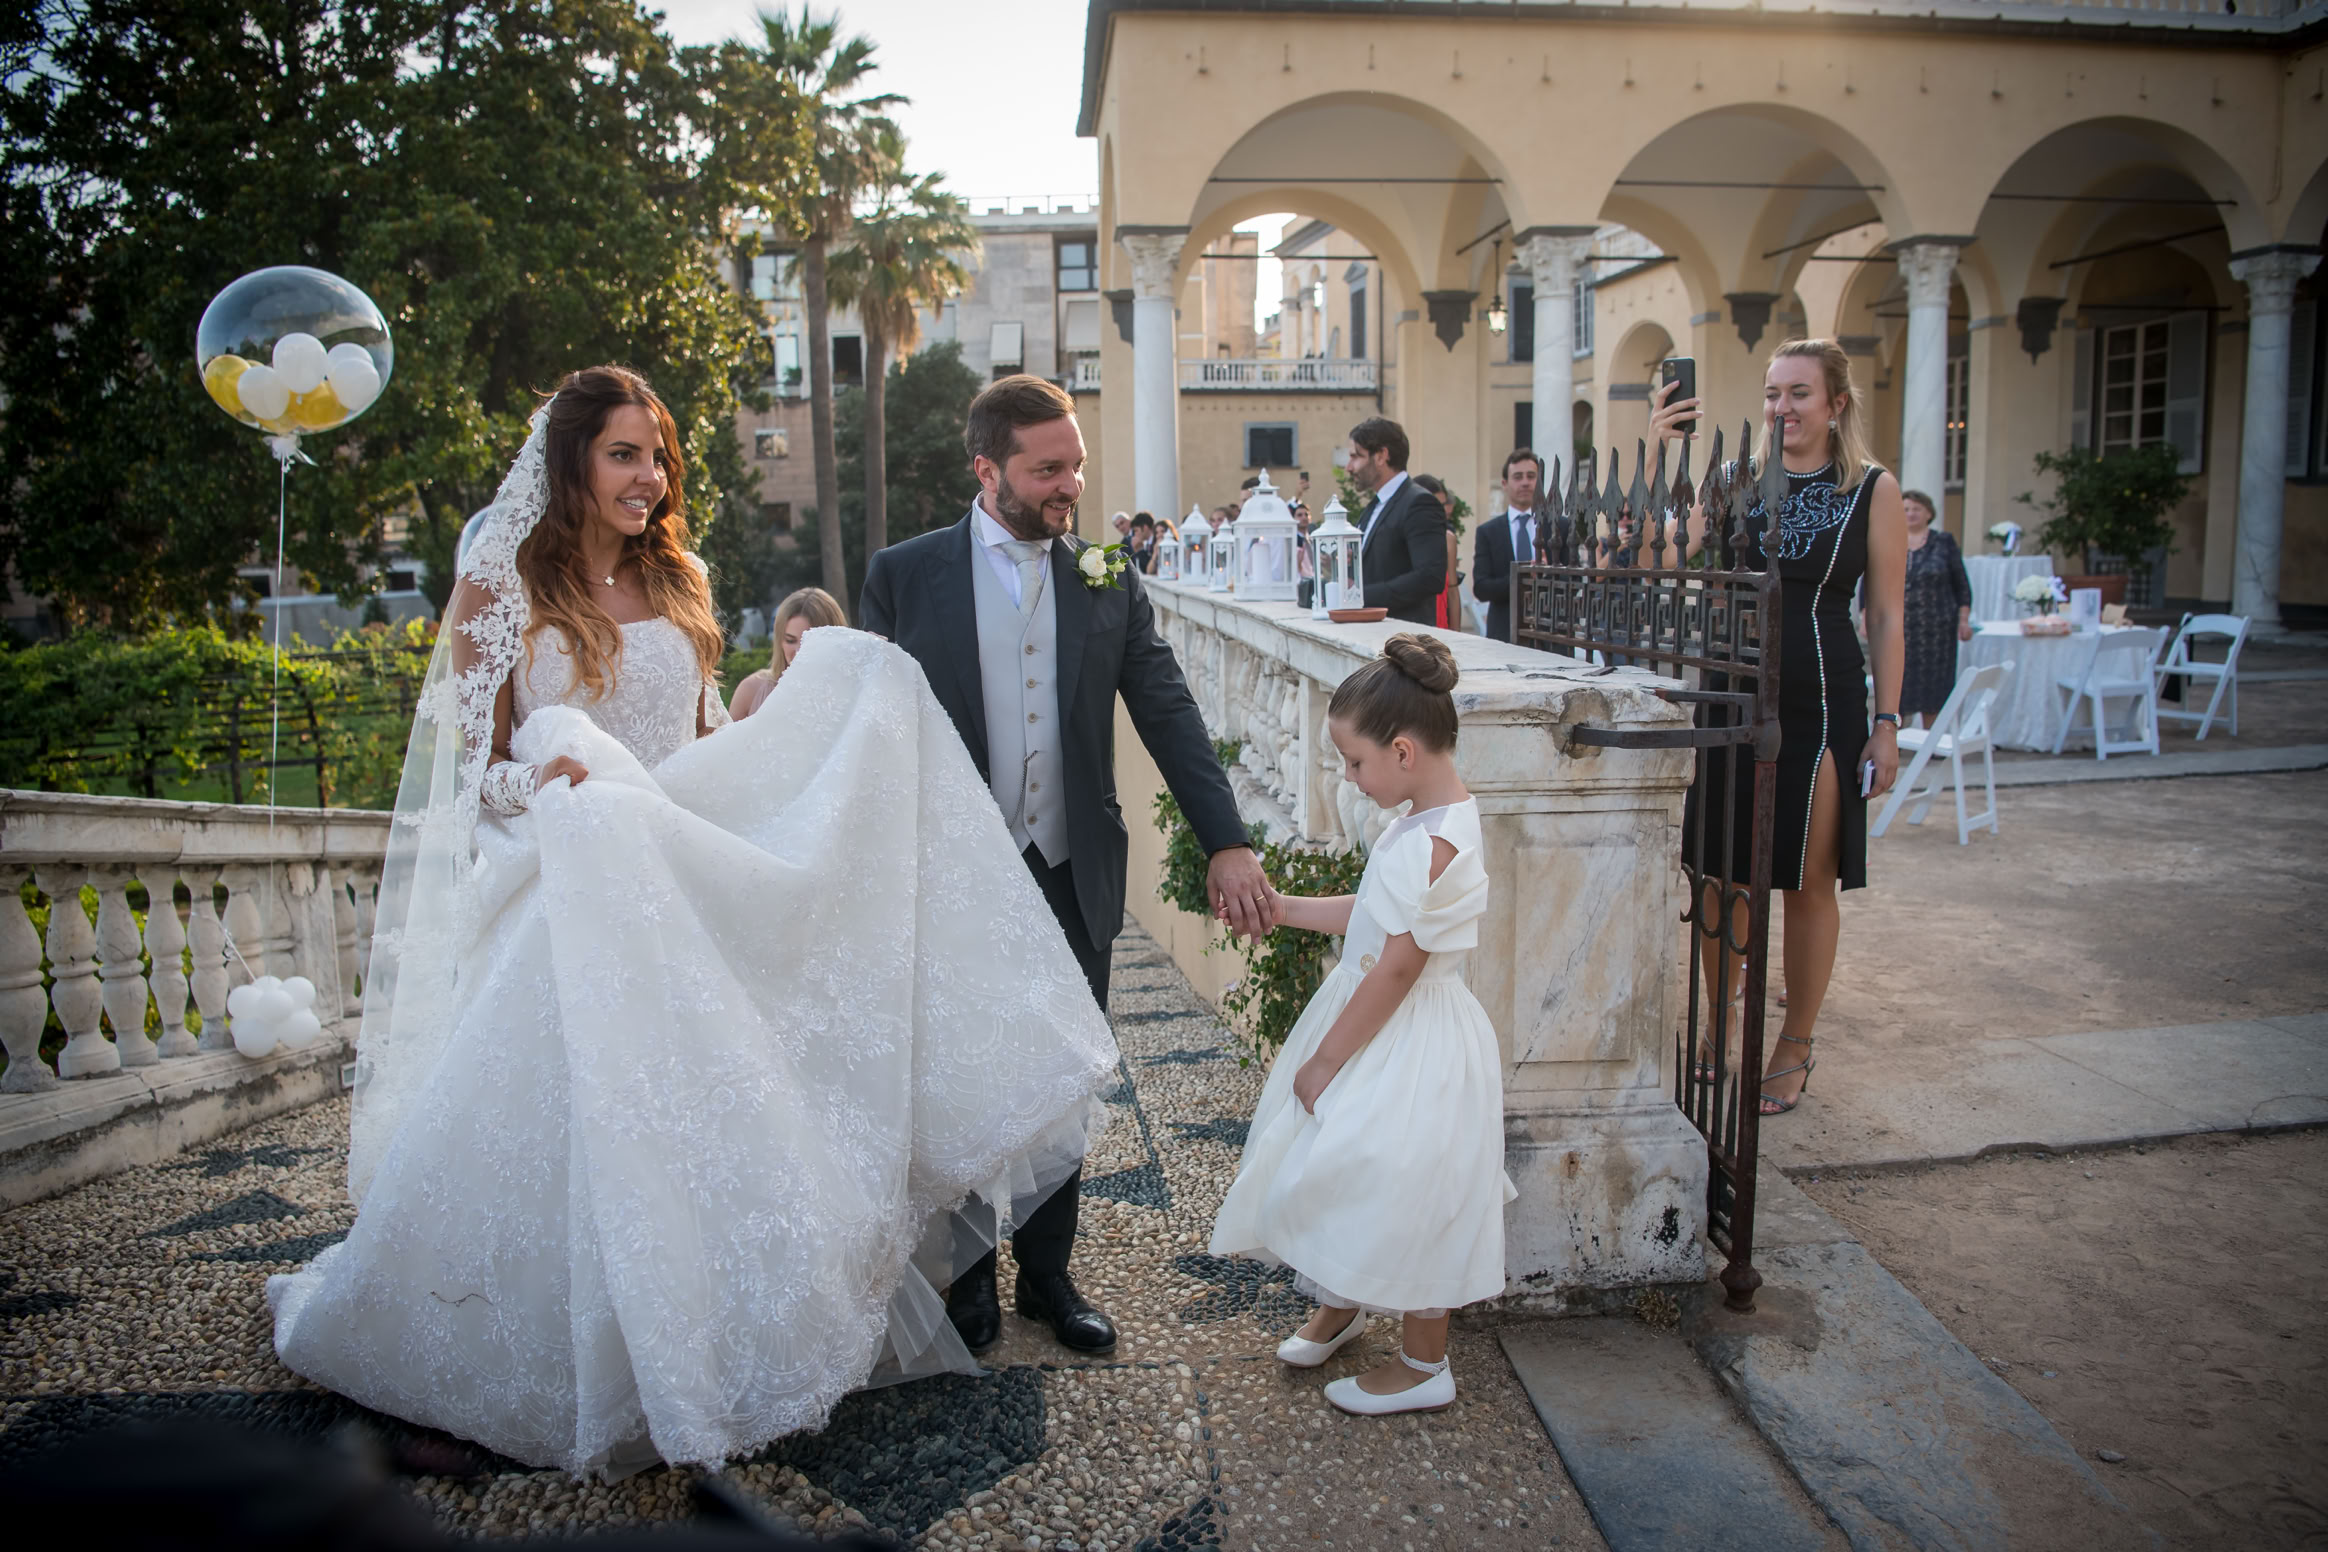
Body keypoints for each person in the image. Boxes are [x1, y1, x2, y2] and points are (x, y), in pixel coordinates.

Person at [267, 367, 1120, 1476]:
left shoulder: (682, 579)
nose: (649, 477)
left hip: (680, 856)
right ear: (571, 462)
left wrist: (805, 733)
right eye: (624, 454)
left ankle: (722, 1331)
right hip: (570, 871)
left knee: (719, 1101)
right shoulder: (497, 588)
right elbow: (473, 775)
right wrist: (557, 789)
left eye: (658, 456)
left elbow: (709, 741)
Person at [861, 375, 1270, 1357]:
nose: (1071, 486)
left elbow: (1166, 708)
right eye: (1048, 469)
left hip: (1070, 866)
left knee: (1061, 1082)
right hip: (953, 873)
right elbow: (861, 731)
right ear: (987, 469)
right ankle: (966, 1279)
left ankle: (1048, 1275)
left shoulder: (1103, 574)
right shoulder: (904, 575)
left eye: (1076, 466)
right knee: (962, 1075)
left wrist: (1226, 839)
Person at [1210, 634, 1513, 1417]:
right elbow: (1375, 912)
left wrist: (1326, 1060)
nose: (1348, 777)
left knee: (1405, 1184)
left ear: (1403, 752)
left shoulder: (1438, 843)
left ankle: (1423, 1364)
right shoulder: (1423, 819)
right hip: (1381, 1021)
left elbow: (1398, 969)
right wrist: (1284, 910)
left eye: (1354, 762)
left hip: (1408, 1036)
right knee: (1339, 1167)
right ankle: (1341, 1304)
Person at [1651, 338, 1905, 1115]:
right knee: (1721, 873)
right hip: (1731, 691)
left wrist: (1888, 723)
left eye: (1799, 393)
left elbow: (1886, 613)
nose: (1781, 408)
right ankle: (1721, 1021)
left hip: (1822, 699)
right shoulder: (1734, 478)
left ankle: (1794, 1044)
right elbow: (1666, 560)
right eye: (1771, 394)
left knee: (1807, 880)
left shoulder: (1871, 489)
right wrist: (1662, 454)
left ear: (1836, 404)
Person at [1343, 417, 1447, 626]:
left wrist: (1359, 596)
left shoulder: (1419, 502)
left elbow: (1430, 577)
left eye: (1356, 456)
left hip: (1403, 635)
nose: (1349, 467)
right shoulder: (1374, 506)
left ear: (1381, 456)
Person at [1893, 489, 1973, 724]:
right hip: (1900, 629)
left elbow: (1961, 585)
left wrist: (1964, 620)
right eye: (1906, 509)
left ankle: (1932, 738)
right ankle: (1894, 738)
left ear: (1929, 513)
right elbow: (1872, 581)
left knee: (1935, 690)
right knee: (1897, 687)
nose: (1911, 514)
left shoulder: (1944, 542)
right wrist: (1866, 615)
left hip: (1938, 632)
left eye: (1916, 509)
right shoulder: (1892, 540)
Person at [727, 585, 845, 718]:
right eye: (790, 640)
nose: (798, 652)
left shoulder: (852, 693)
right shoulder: (751, 690)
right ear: (779, 641)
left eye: (808, 642)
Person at [1471, 449, 1544, 643]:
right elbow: (1481, 587)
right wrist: (1524, 576)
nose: (1525, 482)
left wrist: (1549, 573)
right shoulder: (1488, 532)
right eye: (1518, 477)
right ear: (1505, 484)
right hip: (1504, 633)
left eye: (1531, 476)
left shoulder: (1558, 527)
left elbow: (1574, 582)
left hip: (1550, 634)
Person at [1407, 474, 1465, 632]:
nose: (1441, 511)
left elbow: (1453, 591)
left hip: (1441, 628)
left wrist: (1457, 635)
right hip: (1410, 629)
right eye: (1434, 504)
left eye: (1443, 504)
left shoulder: (1448, 539)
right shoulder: (1402, 539)